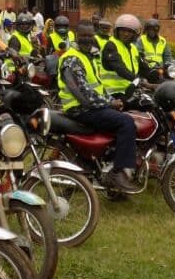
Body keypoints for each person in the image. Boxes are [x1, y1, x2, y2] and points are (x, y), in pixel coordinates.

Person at [58, 20, 138, 192]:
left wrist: (113, 101)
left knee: (126, 116)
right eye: (83, 36)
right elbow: (84, 94)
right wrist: (109, 103)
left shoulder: (90, 57)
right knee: (126, 122)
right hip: (79, 109)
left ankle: (108, 167)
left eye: (89, 35)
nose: (87, 39)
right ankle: (117, 173)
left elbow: (99, 87)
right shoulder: (72, 59)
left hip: (91, 107)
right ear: (76, 36)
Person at [101, 14, 152, 95]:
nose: (126, 34)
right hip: (114, 93)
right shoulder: (111, 46)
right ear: (117, 31)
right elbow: (120, 68)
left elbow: (143, 68)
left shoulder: (133, 48)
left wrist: (158, 76)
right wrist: (139, 80)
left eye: (129, 31)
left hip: (131, 90)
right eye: (123, 30)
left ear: (135, 34)